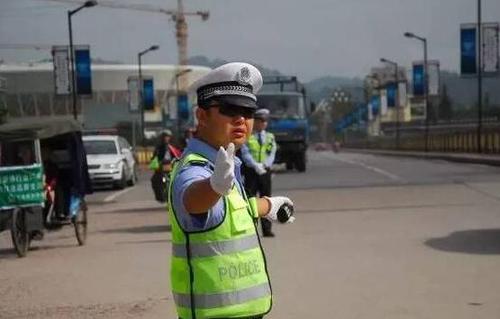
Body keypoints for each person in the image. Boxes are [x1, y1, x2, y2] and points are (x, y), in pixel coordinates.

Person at [168, 62, 295, 319]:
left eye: (248, 111)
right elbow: (193, 202)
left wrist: (266, 206)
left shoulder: (222, 163)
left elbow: (226, 212)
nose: (241, 119)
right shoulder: (197, 170)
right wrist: (213, 187)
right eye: (229, 109)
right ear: (202, 115)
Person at [240, 108, 277, 237]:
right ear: (255, 122)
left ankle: (267, 229)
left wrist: (265, 165)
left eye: (265, 121)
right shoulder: (248, 137)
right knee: (250, 200)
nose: (263, 123)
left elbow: (272, 152)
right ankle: (250, 228)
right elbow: (245, 153)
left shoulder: (270, 137)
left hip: (265, 171)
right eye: (261, 121)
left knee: (266, 200)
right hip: (251, 171)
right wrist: (255, 165)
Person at [150, 129, 181, 202]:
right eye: (164, 136)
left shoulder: (173, 147)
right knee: (154, 180)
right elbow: (154, 158)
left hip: (172, 167)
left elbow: (178, 156)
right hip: (161, 168)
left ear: (170, 137)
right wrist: (155, 162)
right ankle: (160, 197)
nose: (165, 138)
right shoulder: (158, 148)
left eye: (167, 136)